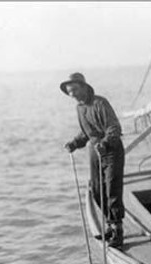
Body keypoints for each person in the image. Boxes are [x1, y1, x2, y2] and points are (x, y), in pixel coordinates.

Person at [61, 72, 125, 248]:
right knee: (97, 190)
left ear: (83, 87)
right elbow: (87, 132)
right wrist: (74, 143)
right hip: (94, 152)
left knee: (112, 189)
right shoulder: (80, 108)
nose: (71, 94)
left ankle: (118, 231)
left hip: (111, 150)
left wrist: (105, 143)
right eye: (69, 92)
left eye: (74, 90)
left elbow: (114, 128)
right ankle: (110, 226)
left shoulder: (100, 103)